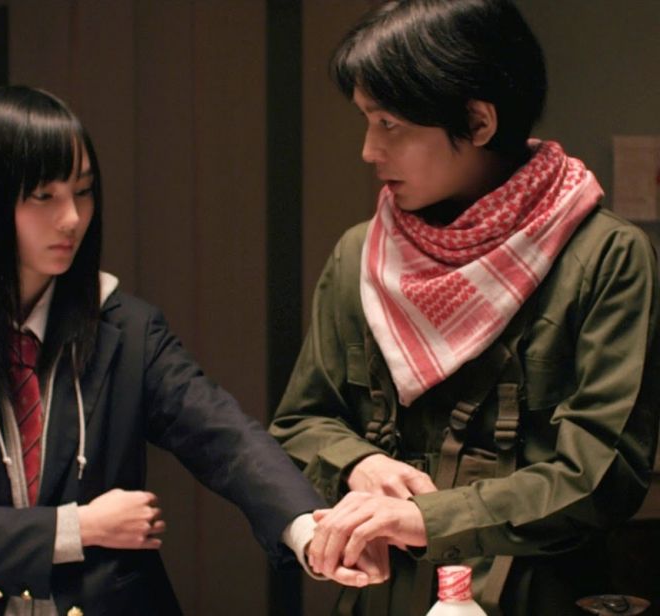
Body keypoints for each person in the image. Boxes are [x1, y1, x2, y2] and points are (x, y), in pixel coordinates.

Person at [0, 85, 385, 616]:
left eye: (83, 192)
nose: (72, 218)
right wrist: (79, 527)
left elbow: (223, 436)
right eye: (44, 196)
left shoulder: (124, 326)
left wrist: (307, 528)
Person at [269, 1, 660, 615]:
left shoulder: (605, 255)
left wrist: (425, 518)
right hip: (382, 596)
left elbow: (601, 475)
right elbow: (300, 421)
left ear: (478, 122)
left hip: (534, 595)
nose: (368, 150)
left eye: (389, 123)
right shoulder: (363, 253)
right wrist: (358, 462)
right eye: (366, 121)